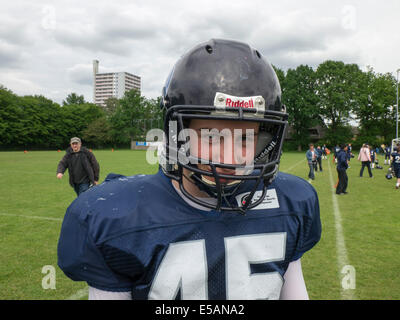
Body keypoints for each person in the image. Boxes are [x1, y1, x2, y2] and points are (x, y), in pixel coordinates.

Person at [57, 39, 321, 300]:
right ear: (177, 135)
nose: (229, 156)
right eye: (211, 137)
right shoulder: (116, 218)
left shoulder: (291, 203)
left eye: (244, 138)